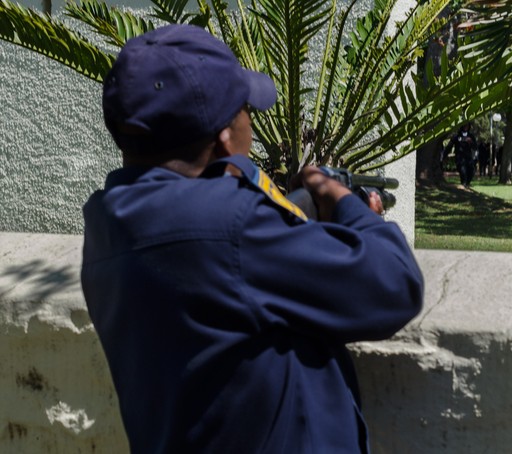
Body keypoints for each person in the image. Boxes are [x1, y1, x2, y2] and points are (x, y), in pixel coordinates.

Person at [81, 24, 424, 453]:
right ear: (225, 137)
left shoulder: (106, 222)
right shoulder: (230, 225)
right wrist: (340, 199)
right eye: (245, 109)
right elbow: (395, 284)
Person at [444, 123, 478, 188]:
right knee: (463, 171)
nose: (466, 127)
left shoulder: (471, 136)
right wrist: (444, 155)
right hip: (460, 157)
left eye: (467, 125)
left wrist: (471, 142)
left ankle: (467, 183)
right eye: (464, 125)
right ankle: (463, 184)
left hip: (468, 157)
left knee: (472, 170)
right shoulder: (456, 136)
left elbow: (475, 147)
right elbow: (449, 146)